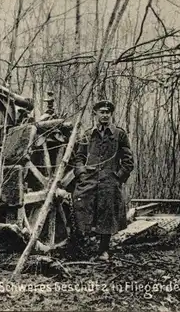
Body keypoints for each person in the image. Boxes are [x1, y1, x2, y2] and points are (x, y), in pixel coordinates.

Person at [72, 100, 134, 261]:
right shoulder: (87, 134)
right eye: (102, 112)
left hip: (109, 181)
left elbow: (128, 161)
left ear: (111, 114)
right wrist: (81, 173)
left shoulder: (119, 134)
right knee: (80, 204)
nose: (105, 115)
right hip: (90, 179)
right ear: (95, 114)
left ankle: (103, 250)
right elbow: (79, 157)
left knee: (107, 213)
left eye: (107, 112)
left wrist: (118, 177)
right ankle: (83, 243)